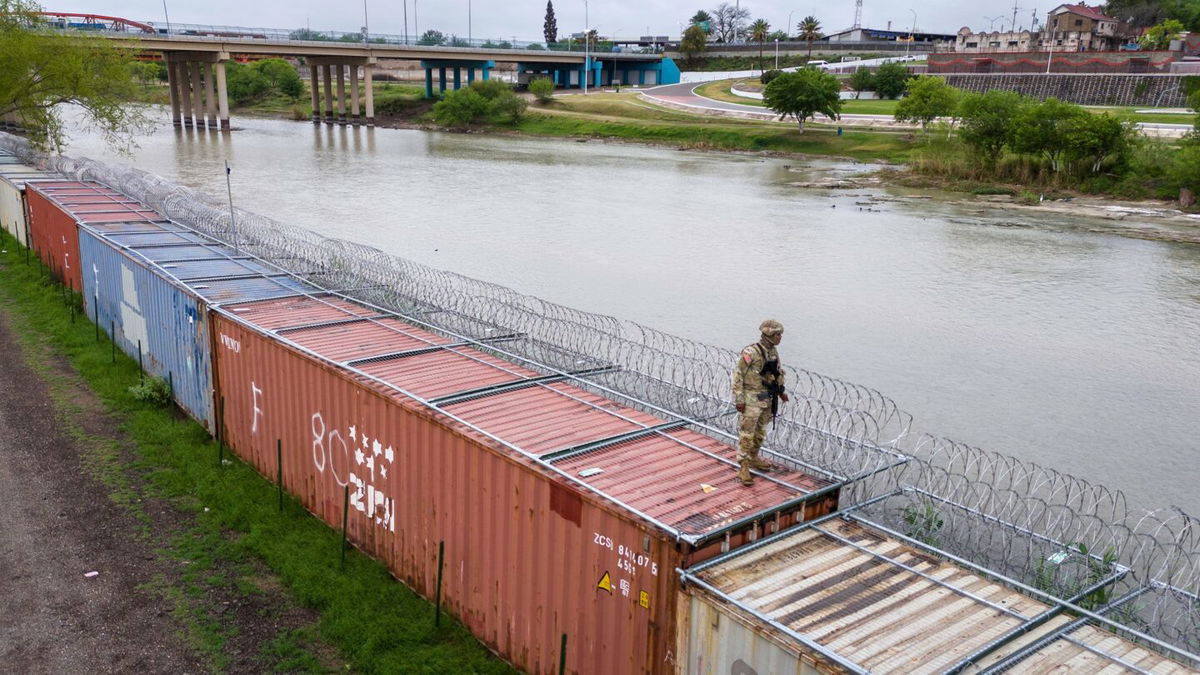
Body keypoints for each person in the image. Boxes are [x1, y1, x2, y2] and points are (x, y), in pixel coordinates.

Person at [731, 319, 789, 486]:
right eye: (778, 334)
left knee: (760, 432)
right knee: (747, 434)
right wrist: (739, 399)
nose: (780, 338)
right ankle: (743, 466)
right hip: (751, 399)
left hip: (766, 398)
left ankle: (754, 457)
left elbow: (777, 373)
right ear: (769, 334)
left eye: (780, 335)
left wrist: (781, 392)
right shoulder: (751, 352)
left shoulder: (773, 352)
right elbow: (738, 375)